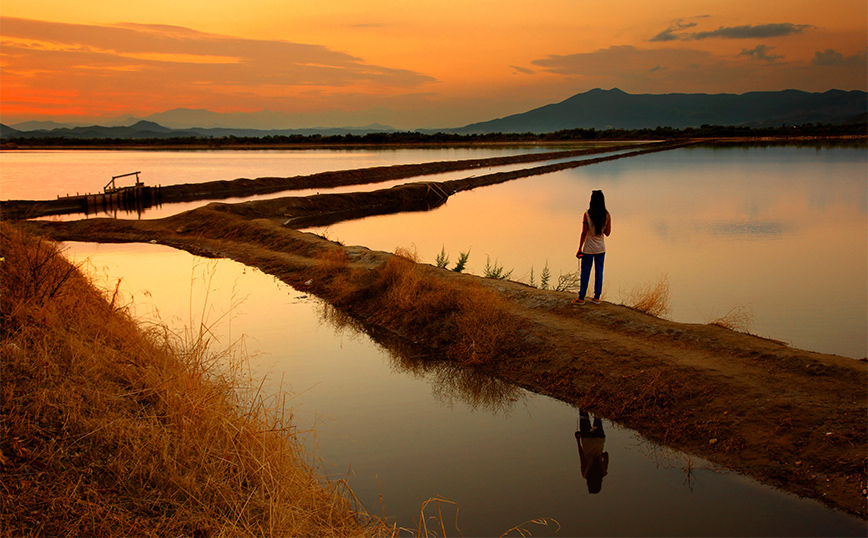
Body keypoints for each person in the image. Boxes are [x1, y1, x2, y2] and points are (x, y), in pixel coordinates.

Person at [573, 190, 611, 305]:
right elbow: (608, 233)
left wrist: (579, 248)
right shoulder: (607, 215)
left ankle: (581, 297)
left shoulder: (587, 215)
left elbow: (584, 233)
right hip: (601, 248)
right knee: (599, 272)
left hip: (588, 249)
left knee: (585, 272)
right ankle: (597, 297)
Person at [575, 409, 609, 494]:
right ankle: (583, 401)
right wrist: (578, 441)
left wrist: (599, 455)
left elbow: (606, 455)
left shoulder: (603, 472)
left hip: (599, 440)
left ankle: (598, 401)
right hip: (587, 440)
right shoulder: (585, 474)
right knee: (583, 416)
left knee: (598, 417)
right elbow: (581, 455)